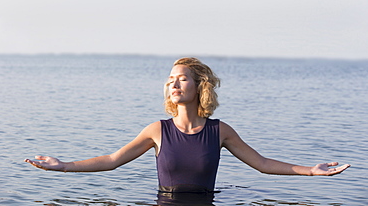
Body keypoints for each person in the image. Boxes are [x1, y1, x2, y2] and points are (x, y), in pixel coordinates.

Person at [25, 57, 350, 193]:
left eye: (182, 79)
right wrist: (63, 166)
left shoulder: (219, 131)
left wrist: (311, 170)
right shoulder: (157, 130)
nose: (174, 85)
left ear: (200, 87)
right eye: (170, 80)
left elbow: (262, 164)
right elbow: (112, 161)